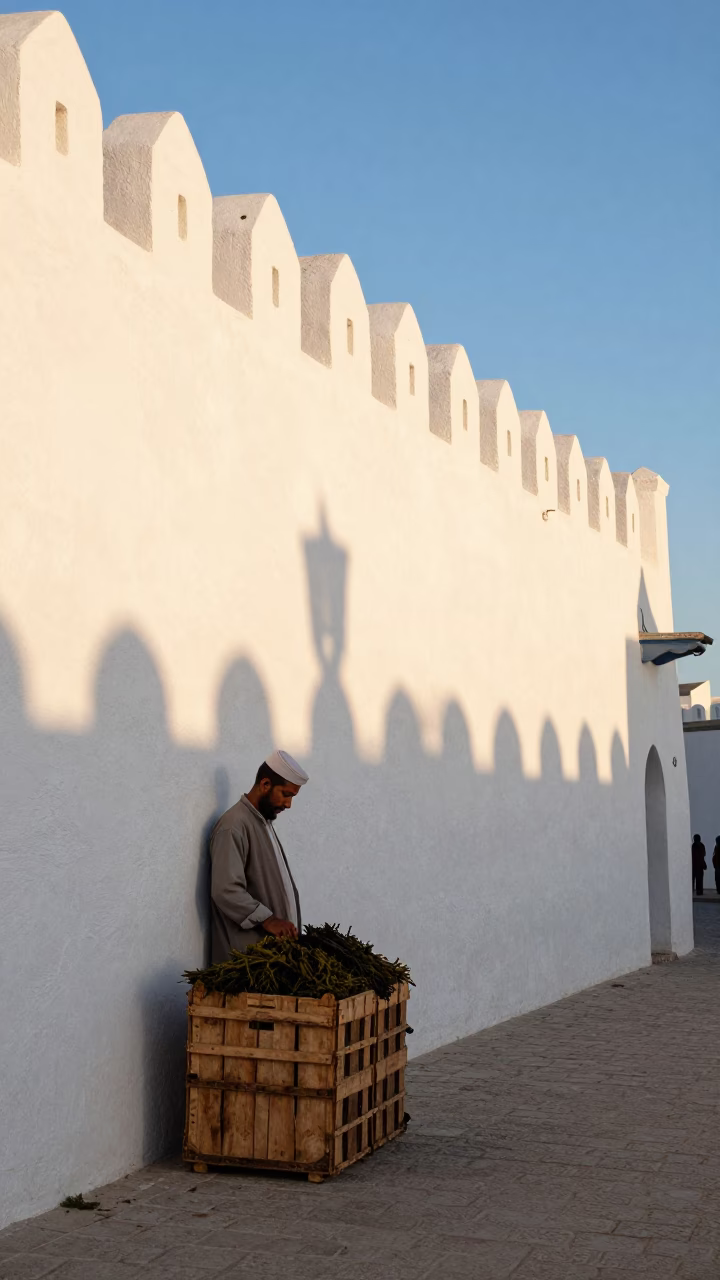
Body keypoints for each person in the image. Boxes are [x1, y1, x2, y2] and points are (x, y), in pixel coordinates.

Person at [209, 749, 309, 962]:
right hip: (246, 965)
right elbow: (225, 890)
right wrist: (268, 920)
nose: (288, 804)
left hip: (270, 962)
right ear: (265, 785)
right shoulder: (234, 826)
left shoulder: (262, 823)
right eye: (286, 794)